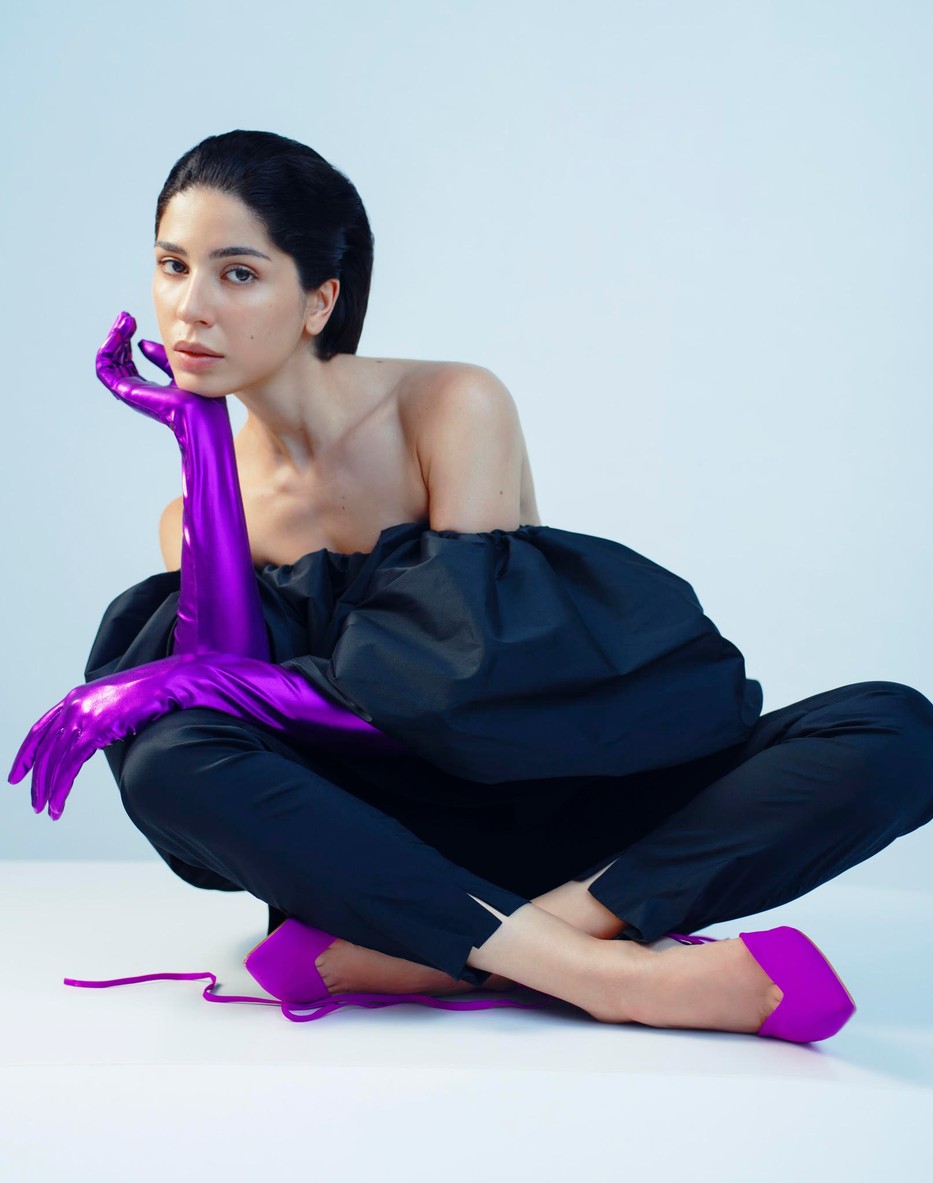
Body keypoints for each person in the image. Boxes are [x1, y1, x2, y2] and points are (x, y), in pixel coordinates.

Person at [10, 130, 933, 1039]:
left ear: (319, 299)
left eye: (238, 273)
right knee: (166, 757)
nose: (190, 308)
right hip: (382, 845)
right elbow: (232, 708)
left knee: (893, 726)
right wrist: (200, 440)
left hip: (563, 798)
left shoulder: (448, 405)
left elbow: (459, 691)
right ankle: (610, 974)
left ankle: (486, 948)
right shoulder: (193, 513)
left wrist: (193, 681)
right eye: (172, 266)